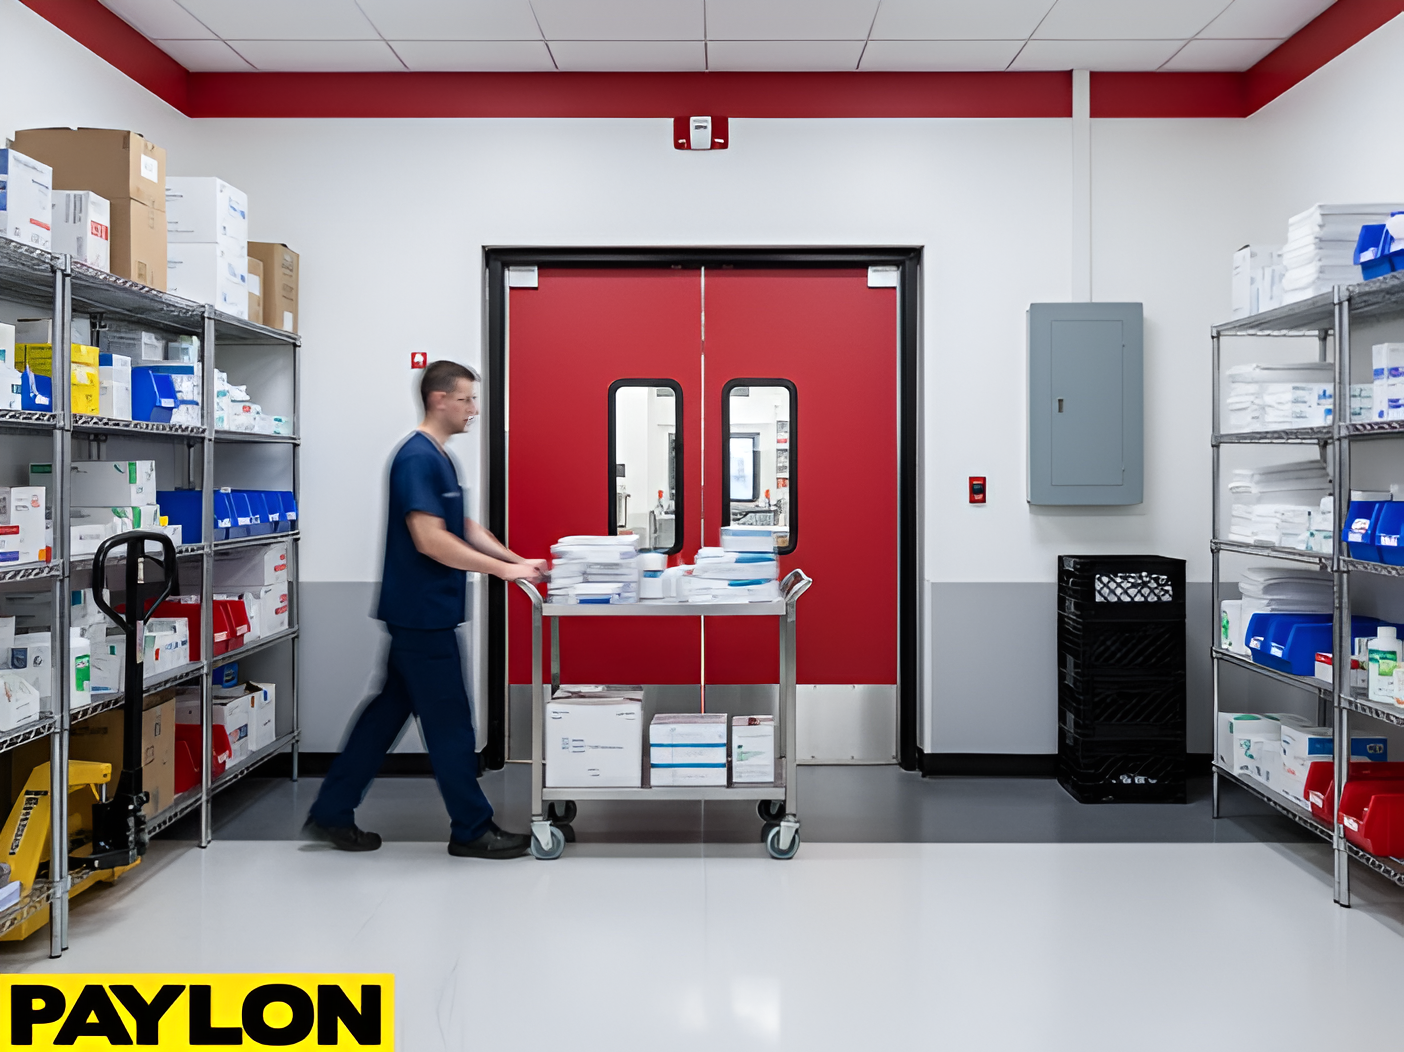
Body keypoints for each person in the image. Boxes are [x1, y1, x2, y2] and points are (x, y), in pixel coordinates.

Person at [305, 360, 546, 858]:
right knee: (451, 722)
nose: (473, 409)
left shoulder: (439, 456)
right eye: (466, 399)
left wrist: (515, 561)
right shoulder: (416, 457)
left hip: (420, 612)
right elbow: (430, 540)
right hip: (422, 615)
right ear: (439, 399)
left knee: (385, 715)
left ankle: (331, 810)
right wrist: (502, 572)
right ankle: (472, 829)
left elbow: (461, 525)